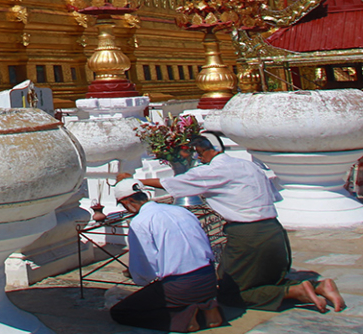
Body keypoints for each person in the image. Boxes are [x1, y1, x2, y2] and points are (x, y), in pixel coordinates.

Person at [123, 133, 346, 314]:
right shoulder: (249, 166)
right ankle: (319, 286)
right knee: (262, 278)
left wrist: (133, 182)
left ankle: (297, 291)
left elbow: (171, 183)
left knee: (231, 294)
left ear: (202, 152)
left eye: (197, 154)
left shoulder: (213, 170)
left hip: (248, 236)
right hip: (275, 231)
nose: (197, 159)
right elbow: (273, 196)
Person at [105, 178, 223, 332]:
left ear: (129, 202)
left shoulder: (140, 222)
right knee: (171, 291)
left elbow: (144, 267)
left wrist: (137, 276)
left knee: (121, 312)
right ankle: (207, 306)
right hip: (208, 279)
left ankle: (187, 318)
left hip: (181, 287)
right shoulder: (180, 210)